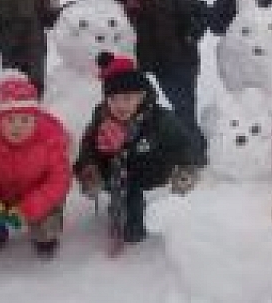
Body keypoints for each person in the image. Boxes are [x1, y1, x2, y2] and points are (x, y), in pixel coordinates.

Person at [74, 52, 205, 246]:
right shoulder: (101, 117)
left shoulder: (160, 120)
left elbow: (186, 145)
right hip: (116, 174)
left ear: (141, 96)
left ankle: (135, 213)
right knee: (131, 227)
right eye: (113, 99)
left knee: (135, 228)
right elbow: (88, 147)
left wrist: (187, 169)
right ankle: (123, 212)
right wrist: (89, 171)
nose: (120, 105)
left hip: (151, 171)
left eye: (127, 98)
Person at [0, 72, 72, 259]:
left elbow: (59, 181)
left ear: (36, 121)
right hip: (0, 198)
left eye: (25, 120)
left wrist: (27, 209)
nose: (17, 126)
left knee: (46, 223)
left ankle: (44, 238)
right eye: (10, 120)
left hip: (36, 200)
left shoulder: (50, 143)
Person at [113, 0, 208, 144]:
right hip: (153, 65)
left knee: (183, 109)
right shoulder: (131, 0)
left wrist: (192, 33)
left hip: (181, 63)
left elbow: (202, 12)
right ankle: (163, 147)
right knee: (152, 109)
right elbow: (108, 3)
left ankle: (193, 154)